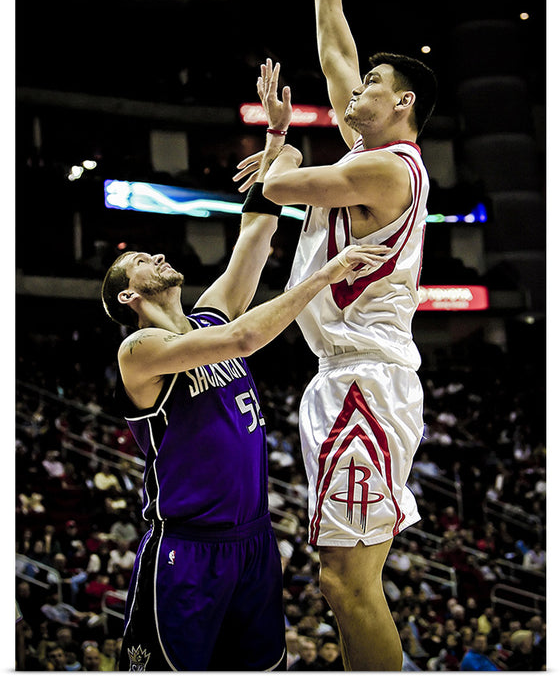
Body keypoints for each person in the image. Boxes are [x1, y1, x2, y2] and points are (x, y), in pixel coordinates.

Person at [101, 111, 388, 671]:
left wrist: (276, 139)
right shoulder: (139, 352)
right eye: (140, 262)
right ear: (129, 298)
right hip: (187, 549)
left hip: (253, 541)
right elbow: (247, 337)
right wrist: (324, 275)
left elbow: (256, 231)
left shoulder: (208, 317)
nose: (157, 256)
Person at [234, 0, 437, 672]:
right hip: (343, 374)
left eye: (373, 88)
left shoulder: (389, 170)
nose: (357, 91)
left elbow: (278, 183)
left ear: (404, 102)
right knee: (338, 583)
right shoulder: (370, 149)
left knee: (349, 584)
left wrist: (280, 140)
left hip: (366, 378)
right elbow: (334, 51)